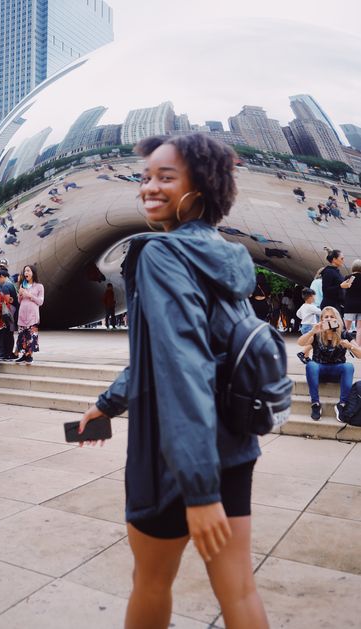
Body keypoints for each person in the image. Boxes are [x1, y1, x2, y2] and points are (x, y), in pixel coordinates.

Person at [79, 133, 267, 629]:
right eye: (145, 177)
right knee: (241, 594)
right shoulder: (227, 258)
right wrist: (107, 404)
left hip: (169, 456)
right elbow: (167, 352)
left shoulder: (161, 255)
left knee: (151, 583)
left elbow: (184, 368)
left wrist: (200, 492)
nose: (148, 187)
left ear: (200, 187)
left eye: (166, 177)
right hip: (233, 446)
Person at [298, 306, 361, 422]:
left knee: (348, 366)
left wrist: (350, 346)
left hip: (337, 372)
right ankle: (315, 404)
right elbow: (300, 343)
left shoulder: (343, 334)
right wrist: (312, 331)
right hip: (319, 371)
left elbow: (360, 354)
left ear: (337, 319)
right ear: (321, 319)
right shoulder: (317, 334)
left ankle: (342, 405)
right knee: (311, 365)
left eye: (332, 316)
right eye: (326, 317)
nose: (328, 319)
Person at [15, 264, 44, 364]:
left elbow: (40, 302)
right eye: (25, 271)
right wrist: (20, 294)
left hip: (33, 315)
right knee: (22, 336)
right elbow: (19, 301)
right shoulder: (23, 285)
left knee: (31, 336)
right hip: (22, 314)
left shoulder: (39, 286)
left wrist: (29, 295)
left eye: (28, 271)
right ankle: (23, 355)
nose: (26, 273)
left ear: (33, 273)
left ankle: (29, 355)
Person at [0, 269, 18, 360]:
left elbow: (7, 300)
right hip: (13, 312)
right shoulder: (12, 284)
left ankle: (6, 354)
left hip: (8, 314)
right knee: (10, 334)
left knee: (6, 334)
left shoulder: (5, 286)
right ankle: (9, 353)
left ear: (2, 276)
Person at [296, 288, 321, 364]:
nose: (315, 298)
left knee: (309, 342)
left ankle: (306, 357)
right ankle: (302, 353)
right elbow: (320, 312)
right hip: (310, 326)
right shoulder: (311, 306)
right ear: (310, 297)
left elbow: (298, 314)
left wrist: (304, 317)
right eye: (314, 296)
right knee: (315, 343)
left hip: (304, 325)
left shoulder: (303, 306)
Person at [341, 259, 361, 346]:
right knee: (360, 328)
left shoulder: (347, 278)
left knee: (345, 328)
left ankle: (342, 345)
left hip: (349, 305)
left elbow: (343, 290)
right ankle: (358, 347)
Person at [320, 249, 345, 314]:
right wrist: (340, 286)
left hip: (337, 305)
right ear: (334, 259)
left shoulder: (336, 271)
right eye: (341, 259)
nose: (343, 261)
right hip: (330, 306)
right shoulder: (328, 272)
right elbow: (326, 290)